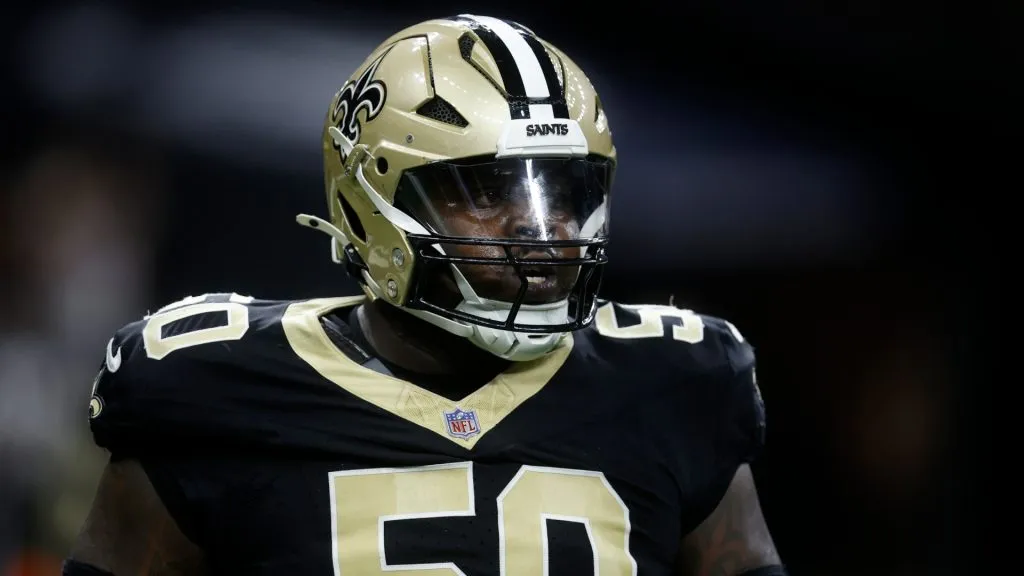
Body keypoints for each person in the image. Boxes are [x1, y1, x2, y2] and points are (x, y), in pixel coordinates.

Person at [65, 14, 784, 576]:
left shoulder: (672, 383)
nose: (541, 231)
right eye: (489, 191)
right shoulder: (213, 387)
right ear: (372, 197)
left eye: (561, 190)